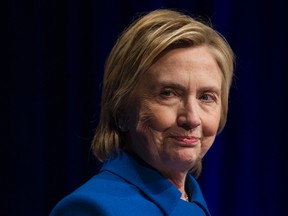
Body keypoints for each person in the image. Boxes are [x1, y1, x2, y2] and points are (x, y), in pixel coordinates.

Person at [50, 8, 234, 216]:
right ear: (121, 110)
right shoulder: (90, 210)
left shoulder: (193, 200)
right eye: (168, 94)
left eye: (206, 97)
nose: (191, 118)